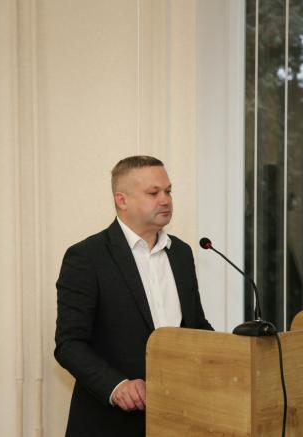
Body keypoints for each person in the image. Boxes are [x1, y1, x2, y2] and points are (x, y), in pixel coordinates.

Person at [55, 155, 213, 436]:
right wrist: (117, 386)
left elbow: (195, 327)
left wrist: (234, 351)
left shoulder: (181, 253)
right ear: (122, 200)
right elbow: (69, 344)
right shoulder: (87, 257)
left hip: (178, 416)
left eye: (168, 191)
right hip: (110, 422)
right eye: (153, 193)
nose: (165, 200)